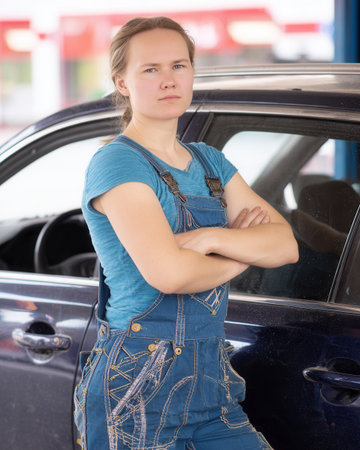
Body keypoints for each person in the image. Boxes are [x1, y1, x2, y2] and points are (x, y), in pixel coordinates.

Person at [74, 16, 299, 450]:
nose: (168, 80)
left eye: (178, 65)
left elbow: (285, 245)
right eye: (150, 69)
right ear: (122, 82)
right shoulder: (118, 164)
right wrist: (243, 249)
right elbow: (170, 275)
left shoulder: (210, 162)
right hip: (137, 385)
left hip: (211, 377)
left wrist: (211, 239)